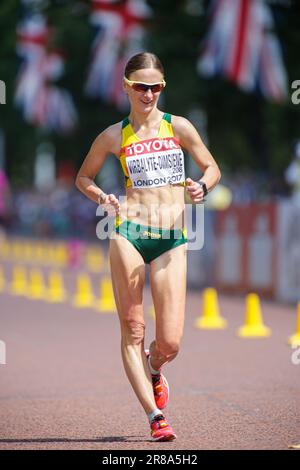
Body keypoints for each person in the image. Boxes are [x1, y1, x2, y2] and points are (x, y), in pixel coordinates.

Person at [75, 52, 221, 441]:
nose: (149, 93)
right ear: (126, 87)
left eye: (156, 86)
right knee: (133, 328)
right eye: (141, 86)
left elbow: (212, 167)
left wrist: (201, 186)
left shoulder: (180, 128)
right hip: (128, 232)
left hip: (172, 237)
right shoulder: (113, 135)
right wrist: (101, 198)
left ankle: (155, 368)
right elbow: (83, 178)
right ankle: (155, 416)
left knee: (170, 341)